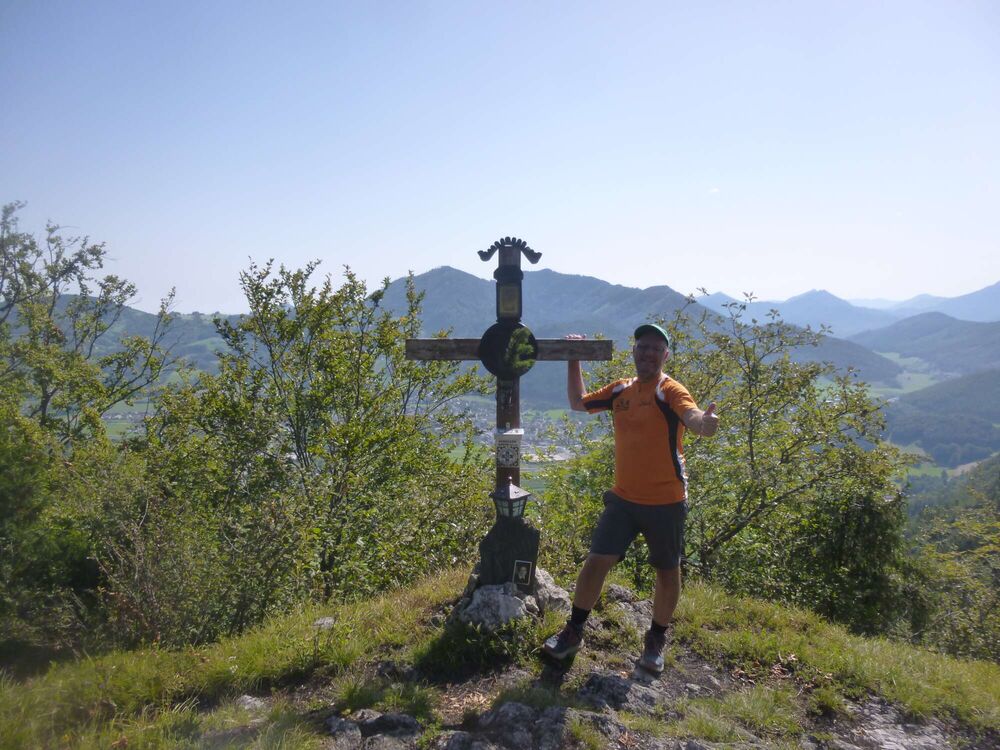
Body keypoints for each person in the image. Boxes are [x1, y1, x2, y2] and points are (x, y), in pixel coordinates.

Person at [542, 323, 719, 673]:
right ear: (634, 352)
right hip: (623, 499)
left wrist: (704, 424)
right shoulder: (621, 390)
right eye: (643, 347)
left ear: (665, 356)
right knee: (596, 560)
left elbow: (691, 414)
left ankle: (656, 639)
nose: (649, 353)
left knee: (667, 570)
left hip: (666, 500)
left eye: (656, 348)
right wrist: (573, 359)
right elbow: (578, 403)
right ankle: (574, 630)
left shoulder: (669, 390)